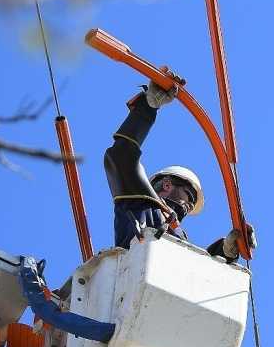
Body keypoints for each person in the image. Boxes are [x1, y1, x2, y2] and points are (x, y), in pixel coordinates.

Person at [103, 69, 254, 262]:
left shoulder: (179, 237)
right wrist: (148, 107)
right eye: (189, 195)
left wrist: (227, 250)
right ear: (167, 184)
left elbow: (197, 273)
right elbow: (120, 156)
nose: (190, 206)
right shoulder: (141, 206)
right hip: (132, 281)